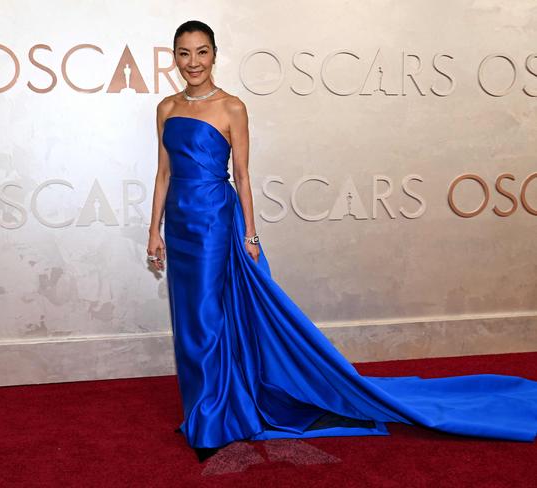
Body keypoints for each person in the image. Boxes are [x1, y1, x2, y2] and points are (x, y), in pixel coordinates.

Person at [147, 20, 537, 463]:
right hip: (179, 225)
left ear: (214, 55)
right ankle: (204, 410)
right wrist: (153, 230)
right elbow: (163, 173)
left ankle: (215, 419)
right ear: (173, 57)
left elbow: (243, 175)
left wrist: (250, 234)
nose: (193, 62)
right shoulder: (165, 108)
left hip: (217, 222)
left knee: (210, 318)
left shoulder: (232, 107)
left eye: (201, 52)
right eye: (184, 53)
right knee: (189, 323)